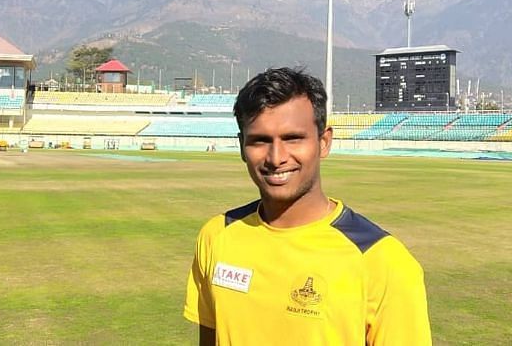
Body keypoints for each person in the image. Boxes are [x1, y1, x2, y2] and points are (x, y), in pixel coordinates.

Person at [183, 67, 431, 345]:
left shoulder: (383, 262)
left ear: (324, 142)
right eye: (260, 141)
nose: (276, 158)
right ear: (242, 146)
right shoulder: (216, 236)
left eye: (293, 138)